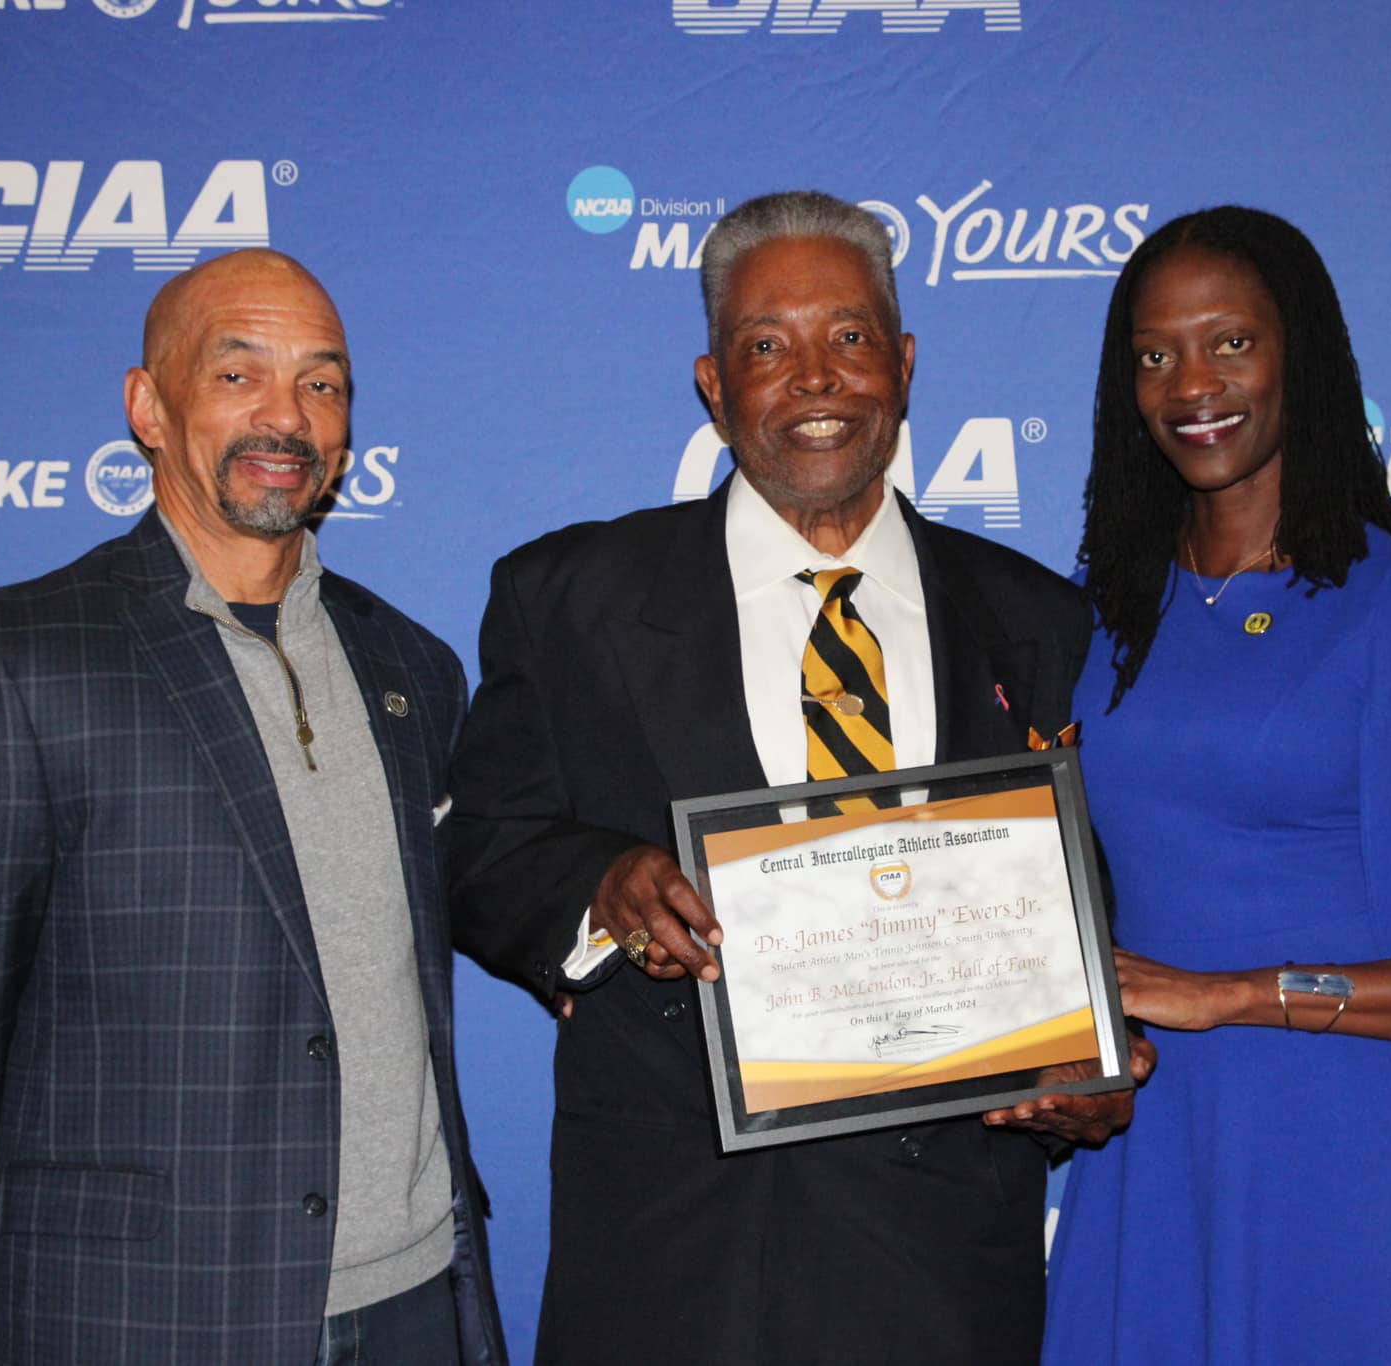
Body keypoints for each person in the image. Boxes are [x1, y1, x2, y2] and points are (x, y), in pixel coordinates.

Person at [449, 190, 1149, 1365]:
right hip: (678, 1266)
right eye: (766, 346)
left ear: (905, 364)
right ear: (713, 385)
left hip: (945, 1270)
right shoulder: (567, 597)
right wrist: (603, 888)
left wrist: (1090, 1070)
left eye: (850, 337)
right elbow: (480, 856)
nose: (814, 378)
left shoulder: (1036, 618)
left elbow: (1077, 912)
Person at [0, 249, 505, 1366]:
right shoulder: (17, 657)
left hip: (418, 1299)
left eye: (323, 383)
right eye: (238, 375)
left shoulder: (413, 663)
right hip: (138, 1314)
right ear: (149, 407)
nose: (286, 417)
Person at [1039, 205, 1391, 1365]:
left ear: (1299, 351)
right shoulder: (1100, 615)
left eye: (1229, 342)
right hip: (1154, 1143)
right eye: (1153, 355)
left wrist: (1235, 992)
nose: (1189, 382)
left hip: (1360, 1159)